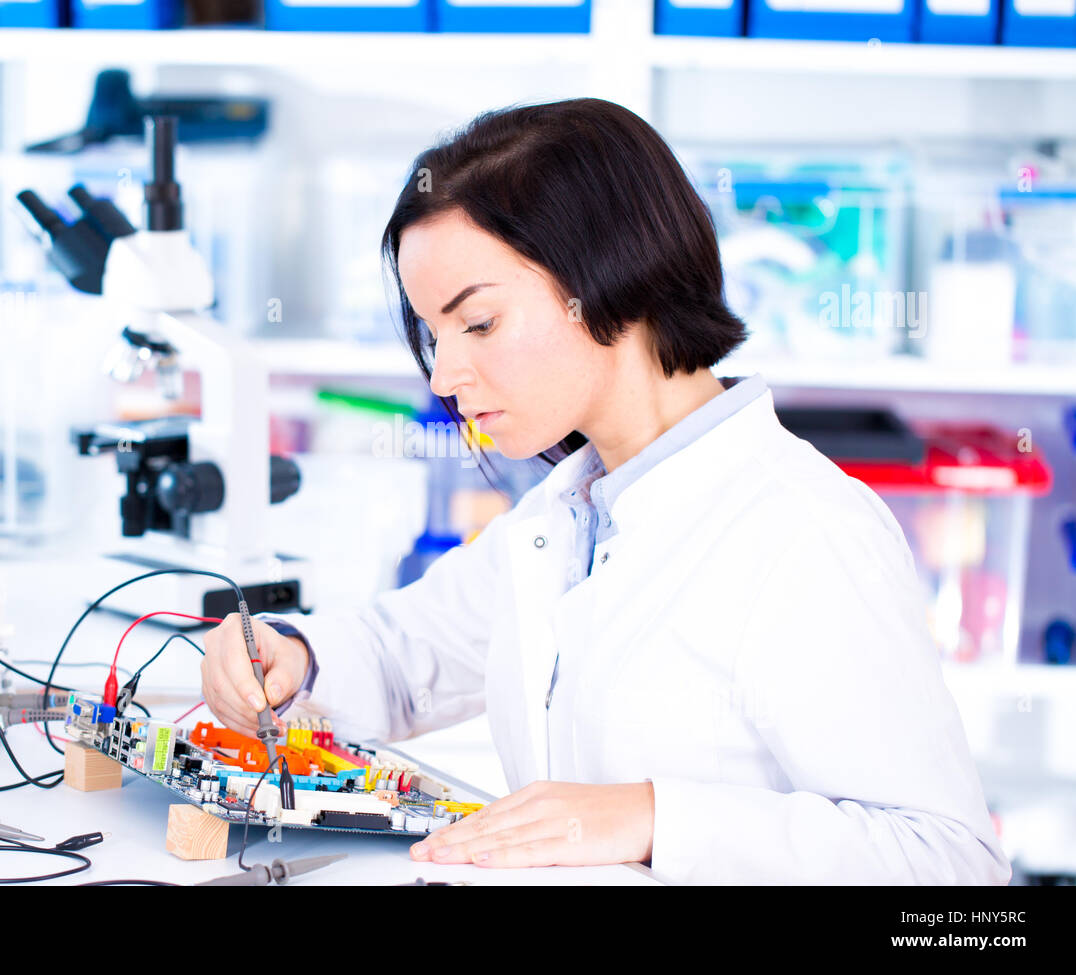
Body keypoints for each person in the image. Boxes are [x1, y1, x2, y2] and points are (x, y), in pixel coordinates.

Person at [200, 97, 1010, 884]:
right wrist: (289, 656)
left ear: (612, 278)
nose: (445, 375)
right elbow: (404, 654)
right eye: (433, 334)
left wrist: (655, 817)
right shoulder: (569, 513)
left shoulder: (805, 532)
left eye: (477, 324)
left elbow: (954, 866)